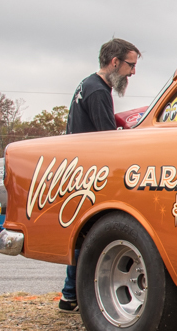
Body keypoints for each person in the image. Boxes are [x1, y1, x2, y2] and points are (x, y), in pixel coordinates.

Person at [59, 38, 139, 312]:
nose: (133, 72)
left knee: (83, 234)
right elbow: (107, 139)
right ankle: (72, 294)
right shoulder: (98, 92)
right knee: (89, 236)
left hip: (79, 166)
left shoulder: (87, 85)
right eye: (131, 65)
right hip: (90, 171)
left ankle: (70, 295)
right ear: (114, 62)